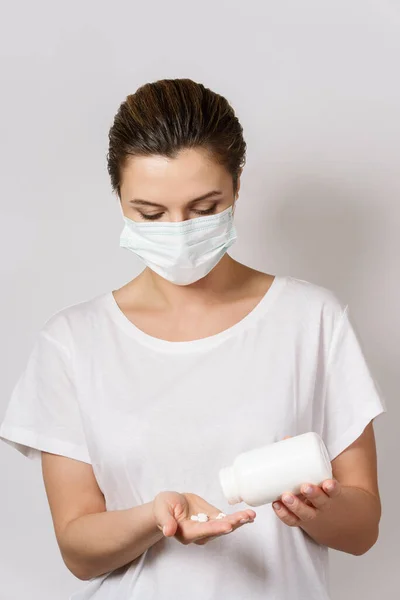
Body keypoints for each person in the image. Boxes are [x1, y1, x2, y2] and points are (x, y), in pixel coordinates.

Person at [0, 78, 386, 600]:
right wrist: (153, 518)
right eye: (151, 215)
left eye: (205, 208)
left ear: (237, 186)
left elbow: (363, 531)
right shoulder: (73, 342)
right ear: (119, 197)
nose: (179, 230)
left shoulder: (311, 320)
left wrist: (316, 509)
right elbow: (78, 551)